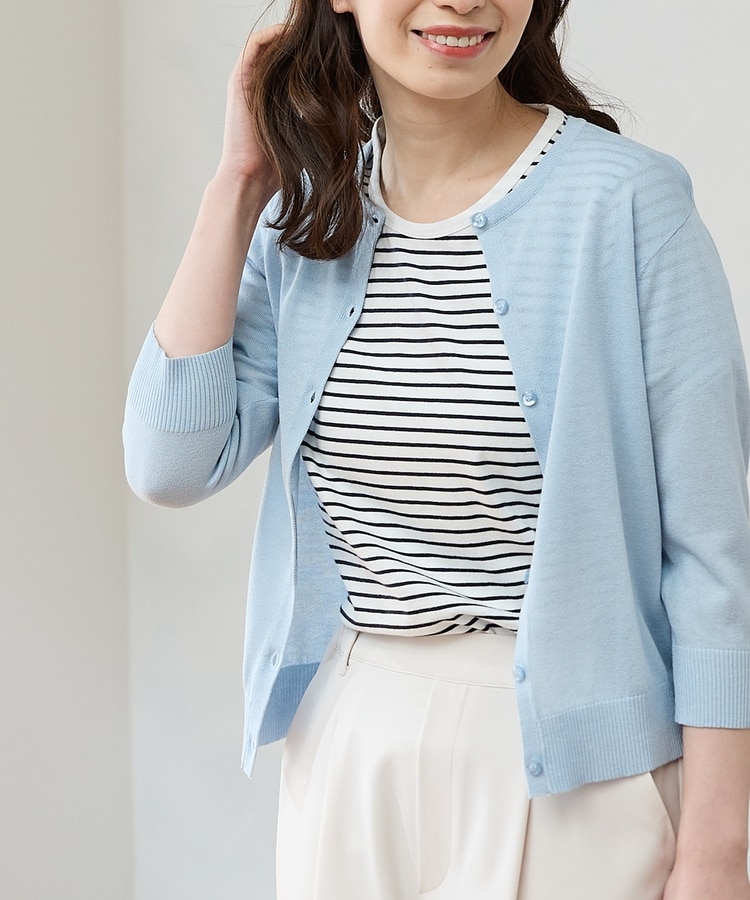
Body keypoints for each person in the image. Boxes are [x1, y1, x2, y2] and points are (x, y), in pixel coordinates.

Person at [123, 0, 750, 897]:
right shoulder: (307, 220)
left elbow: (714, 560)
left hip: (573, 773)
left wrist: (719, 854)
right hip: (349, 745)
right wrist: (239, 181)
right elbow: (169, 464)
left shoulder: (627, 203)